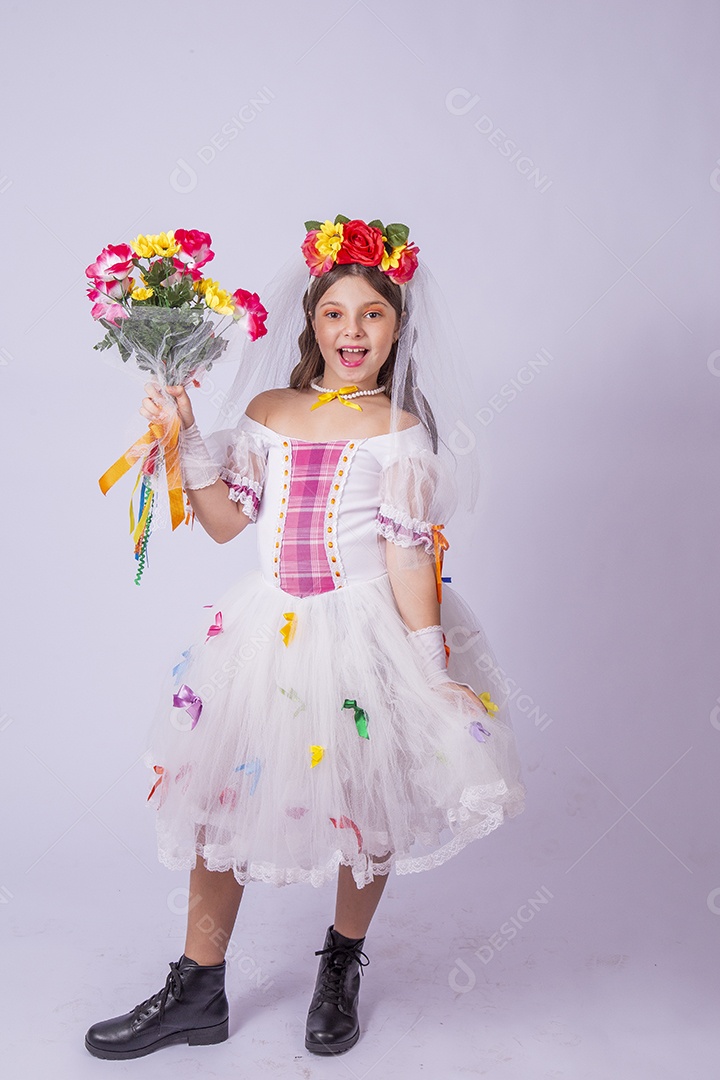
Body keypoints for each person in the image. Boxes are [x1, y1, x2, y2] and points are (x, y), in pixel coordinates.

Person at [84, 216, 525, 1061]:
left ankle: (341, 964)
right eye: (335, 314)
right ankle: (197, 987)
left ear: (397, 329)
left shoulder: (397, 432)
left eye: (372, 316)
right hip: (265, 631)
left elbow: (406, 553)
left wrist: (429, 667)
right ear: (311, 321)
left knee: (368, 800)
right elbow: (220, 524)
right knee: (218, 801)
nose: (351, 332)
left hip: (364, 632)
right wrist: (182, 443)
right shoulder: (267, 410)